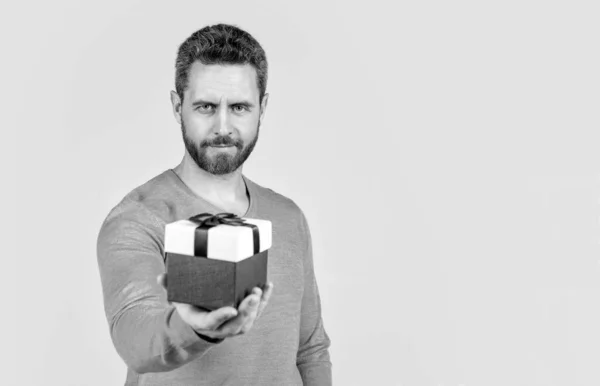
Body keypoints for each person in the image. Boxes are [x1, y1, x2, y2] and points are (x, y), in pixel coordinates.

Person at [96, 23, 332, 385]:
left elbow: (310, 350)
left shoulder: (288, 217)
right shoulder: (139, 218)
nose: (223, 126)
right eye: (206, 106)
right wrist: (195, 327)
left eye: (239, 107)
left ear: (262, 108)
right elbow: (135, 336)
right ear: (178, 107)